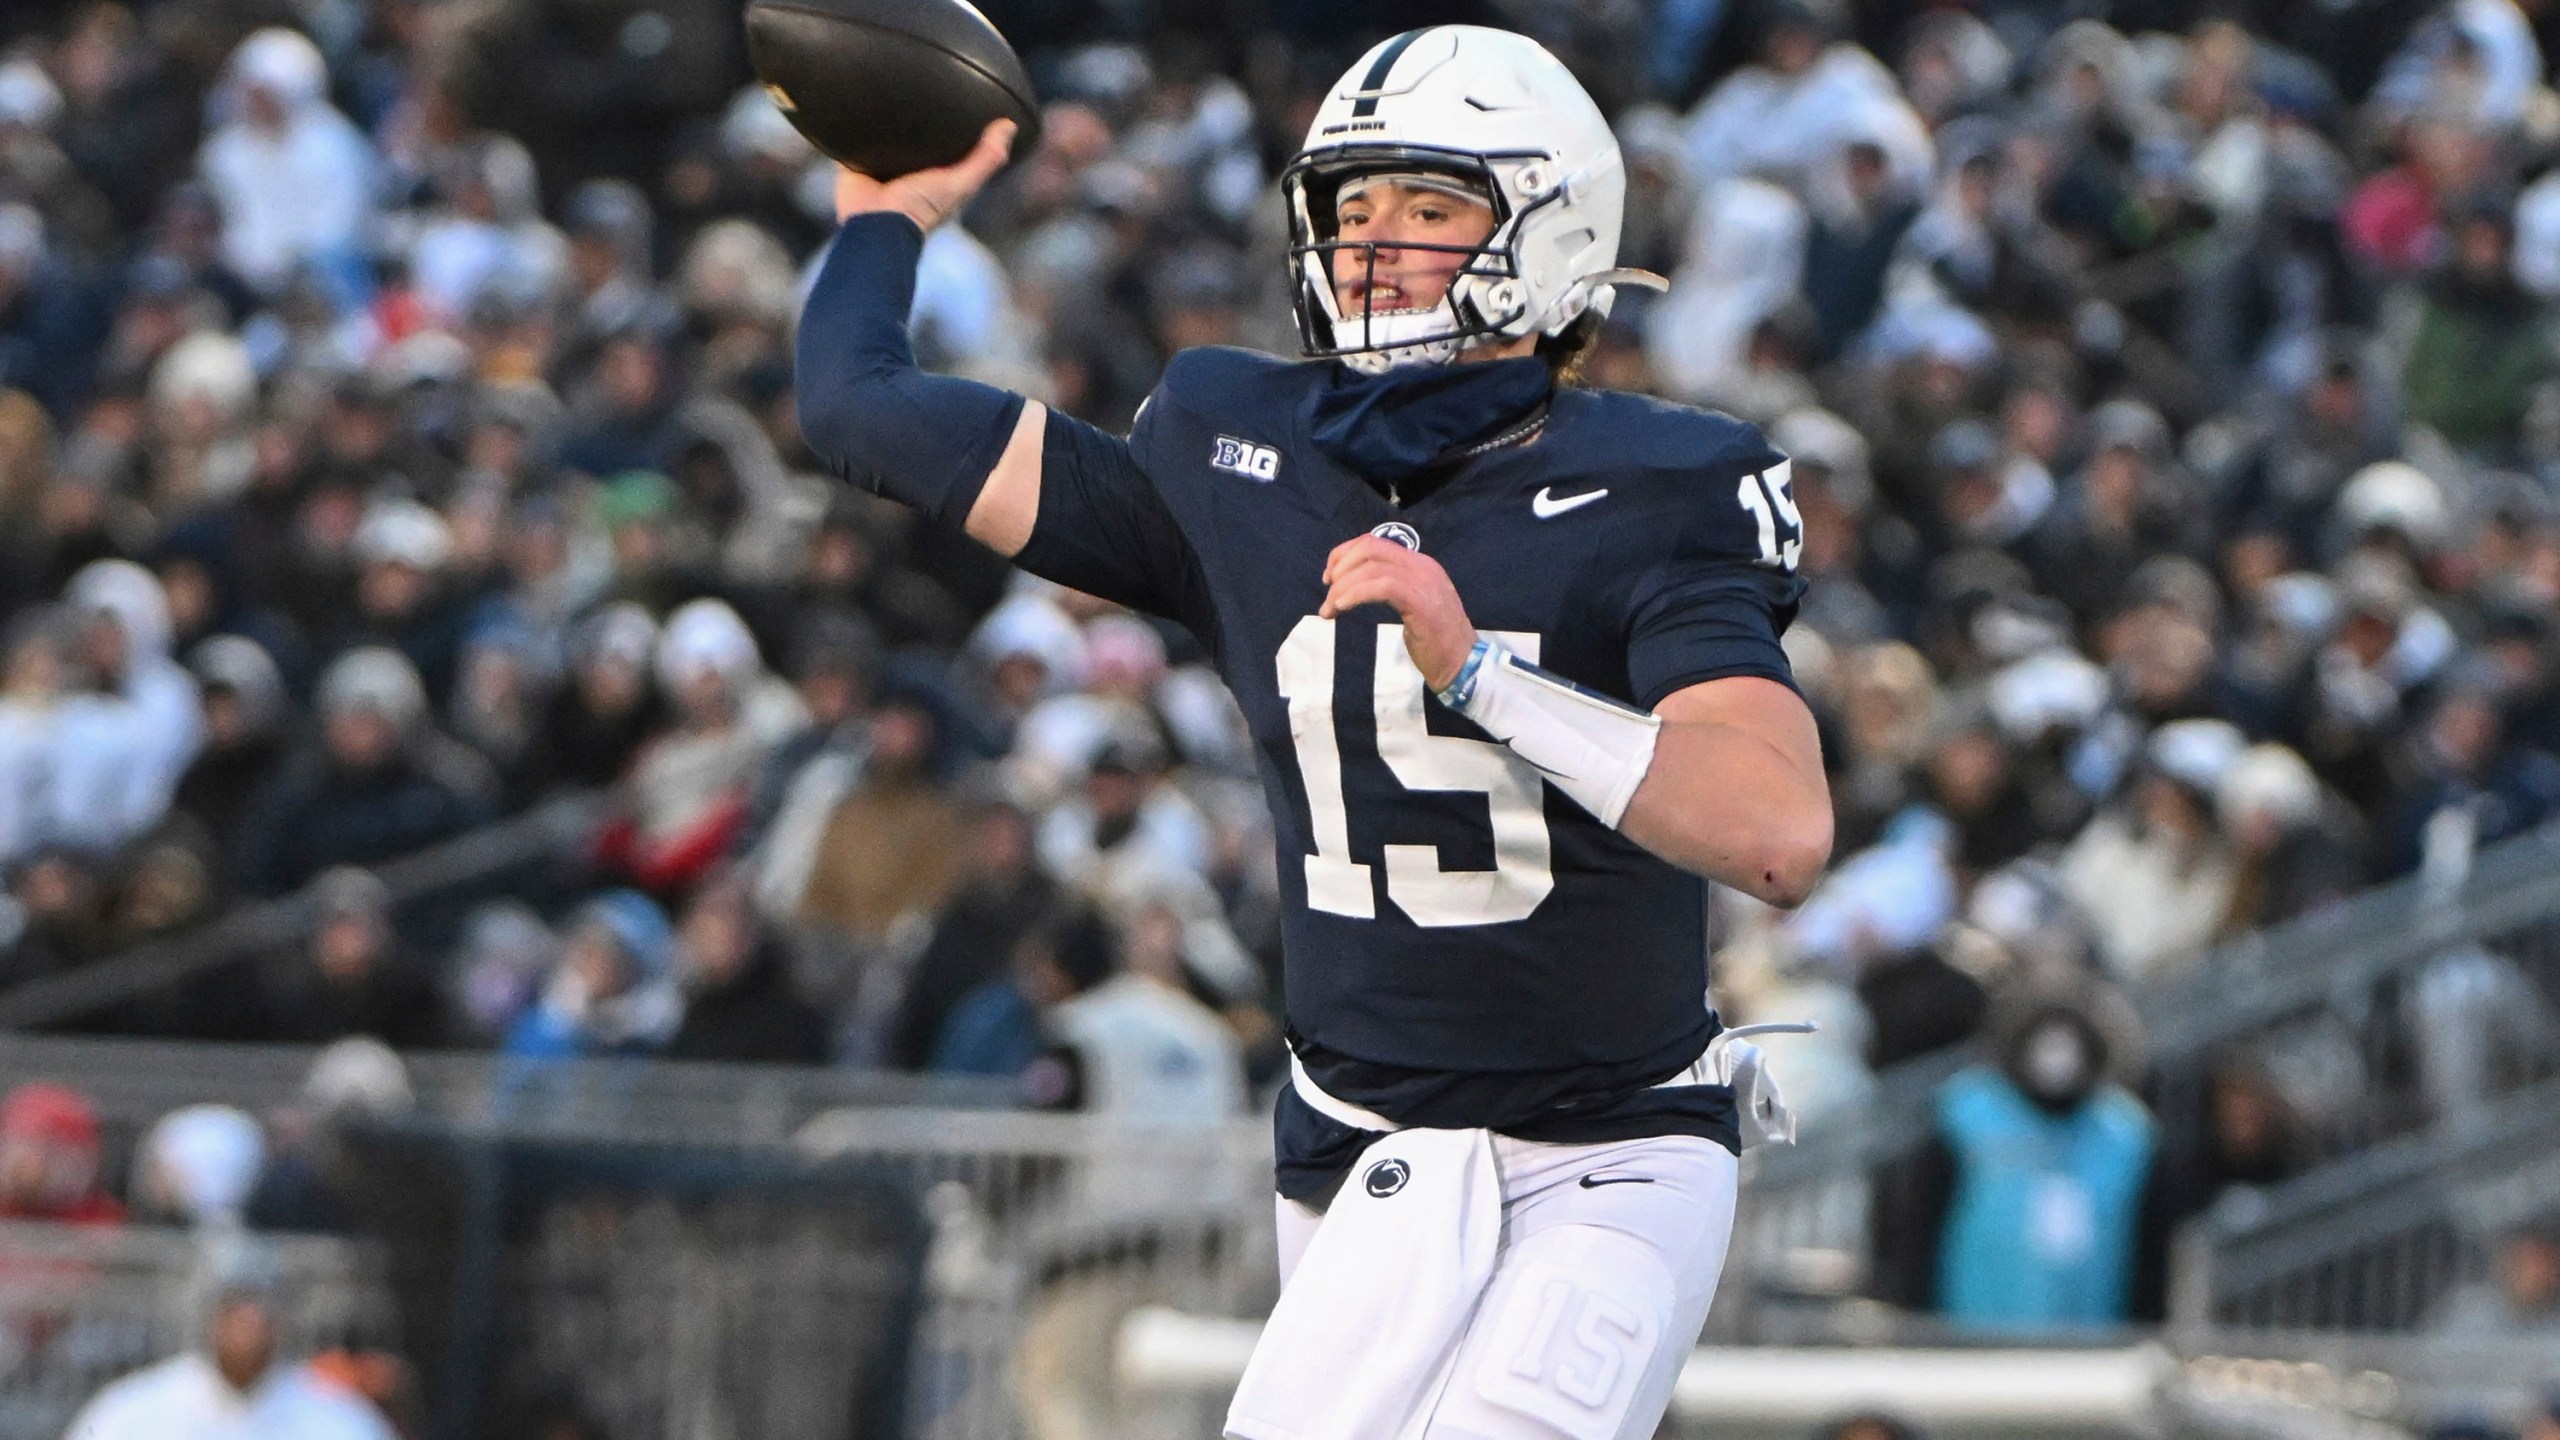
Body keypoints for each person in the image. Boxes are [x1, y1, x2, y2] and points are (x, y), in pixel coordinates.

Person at [797, 26, 1833, 1440]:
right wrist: (887, 217)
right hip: (1359, 1146)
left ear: (1551, 230)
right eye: (1353, 211)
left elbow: (1775, 834)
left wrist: (1479, 674)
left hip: (1612, 1139)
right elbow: (860, 410)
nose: (1376, 248)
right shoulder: (1240, 452)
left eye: (1428, 207)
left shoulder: (1661, 484)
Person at [61, 1251, 395, 1440]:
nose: (247, 1328)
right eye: (235, 1311)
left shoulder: (337, 1419)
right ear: (209, 1319)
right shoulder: (134, 1411)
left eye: (260, 1314)